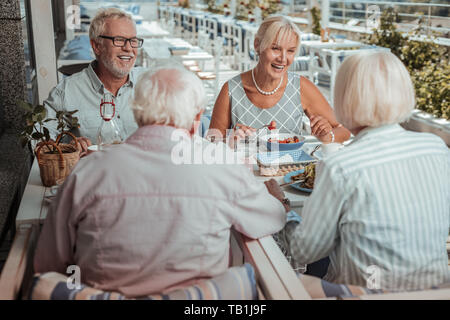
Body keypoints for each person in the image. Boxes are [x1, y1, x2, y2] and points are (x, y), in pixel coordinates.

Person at [34, 66, 288, 297]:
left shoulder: (88, 172)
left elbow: (50, 262)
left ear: (137, 112)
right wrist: (277, 198)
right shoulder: (221, 166)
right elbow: (272, 219)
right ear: (196, 119)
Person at [277, 51, 450, 290]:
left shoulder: (341, 166)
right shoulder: (437, 149)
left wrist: (284, 210)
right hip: (436, 292)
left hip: (368, 292)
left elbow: (305, 251)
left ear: (345, 98)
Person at [208, 15, 350, 143]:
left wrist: (327, 136)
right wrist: (228, 141)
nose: (283, 59)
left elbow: (343, 129)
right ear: (257, 45)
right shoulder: (231, 89)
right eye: (275, 48)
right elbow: (210, 144)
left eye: (290, 51)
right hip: (243, 170)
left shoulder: (301, 87)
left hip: (291, 171)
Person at [43, 8, 146, 155]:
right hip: (95, 175)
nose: (128, 48)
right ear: (97, 46)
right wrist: (69, 148)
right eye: (119, 40)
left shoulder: (150, 82)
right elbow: (39, 140)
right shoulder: (67, 92)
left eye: (133, 41)